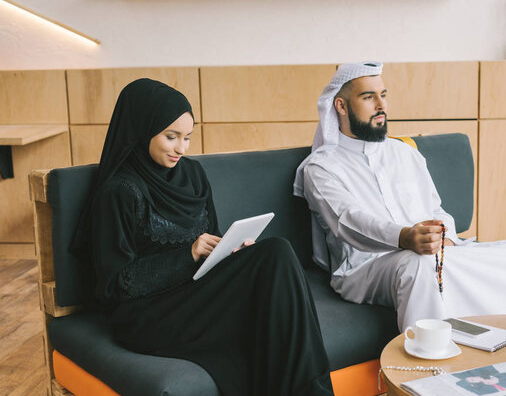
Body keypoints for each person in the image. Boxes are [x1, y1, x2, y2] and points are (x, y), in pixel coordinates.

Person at [71, 78, 334, 396]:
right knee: (275, 262)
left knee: (275, 253)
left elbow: (213, 237)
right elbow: (115, 285)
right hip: (146, 314)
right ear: (143, 130)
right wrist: (189, 254)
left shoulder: (192, 174)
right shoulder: (119, 191)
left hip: (195, 292)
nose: (181, 148)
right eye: (171, 137)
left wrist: (232, 251)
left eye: (187, 138)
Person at [294, 62, 506, 331]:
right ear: (341, 105)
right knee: (421, 266)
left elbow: (436, 209)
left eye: (383, 95)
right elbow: (347, 222)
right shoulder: (321, 167)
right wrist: (404, 237)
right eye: (369, 97)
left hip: (433, 253)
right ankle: (430, 371)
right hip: (367, 267)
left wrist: (445, 237)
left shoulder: (405, 153)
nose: (381, 105)